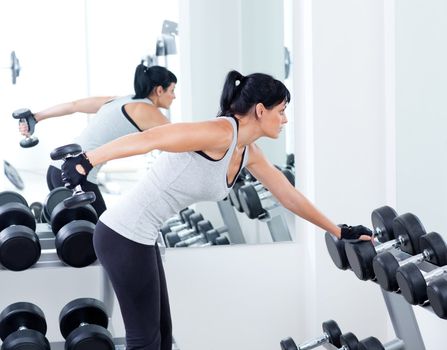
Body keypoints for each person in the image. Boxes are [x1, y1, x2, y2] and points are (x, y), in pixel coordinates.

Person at [59, 70, 372, 350]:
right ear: (261, 111)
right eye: (282, 111)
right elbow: (153, 137)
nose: (285, 119)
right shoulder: (220, 132)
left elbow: (290, 197)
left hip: (139, 235)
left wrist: (338, 230)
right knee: (145, 341)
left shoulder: (247, 151)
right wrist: (88, 160)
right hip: (122, 234)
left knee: (161, 337)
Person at [18, 64, 177, 216]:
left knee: (78, 232)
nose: (174, 96)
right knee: (99, 233)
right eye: (172, 90)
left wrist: (35, 117)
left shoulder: (119, 100)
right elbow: (181, 141)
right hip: (78, 175)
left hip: (56, 170)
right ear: (159, 90)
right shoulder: (149, 111)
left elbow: (74, 106)